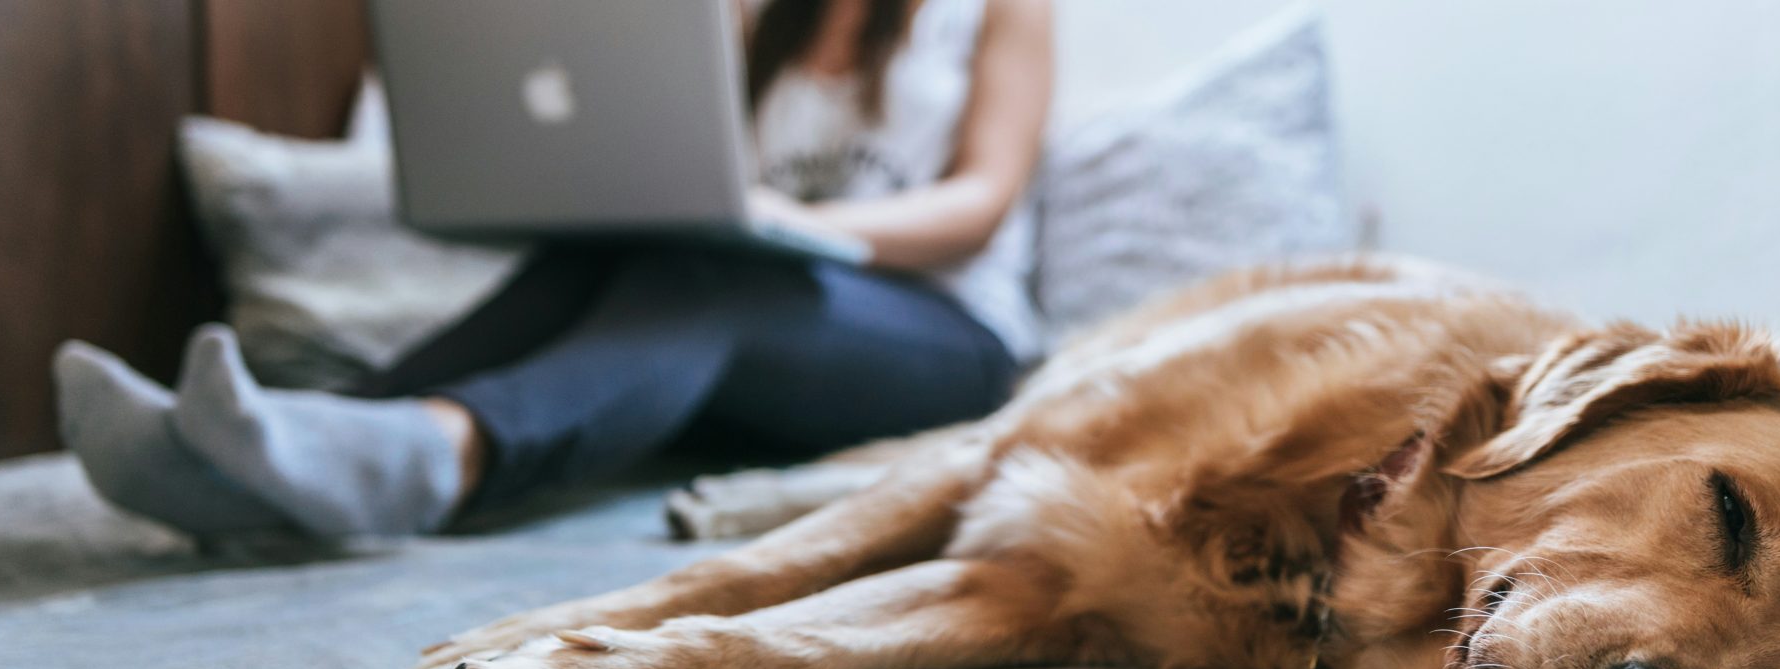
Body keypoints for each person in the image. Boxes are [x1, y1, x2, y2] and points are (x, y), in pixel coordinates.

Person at [53, 0, 1052, 537]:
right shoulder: (758, 17)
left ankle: (440, 454)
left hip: (946, 337)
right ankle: (286, 445)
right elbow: (698, 173)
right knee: (637, 252)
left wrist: (805, 219)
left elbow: (982, 202)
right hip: (771, 314)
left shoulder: (997, 9)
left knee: (713, 284)